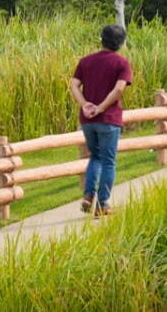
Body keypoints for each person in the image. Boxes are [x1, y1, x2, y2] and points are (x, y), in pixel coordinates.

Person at [69, 24, 133, 217]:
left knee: (95, 157)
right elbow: (119, 89)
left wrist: (85, 104)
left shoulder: (85, 61)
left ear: (101, 39)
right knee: (108, 161)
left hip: (88, 120)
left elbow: (73, 86)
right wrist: (101, 107)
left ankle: (88, 195)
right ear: (121, 43)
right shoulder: (121, 63)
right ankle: (103, 204)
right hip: (109, 119)